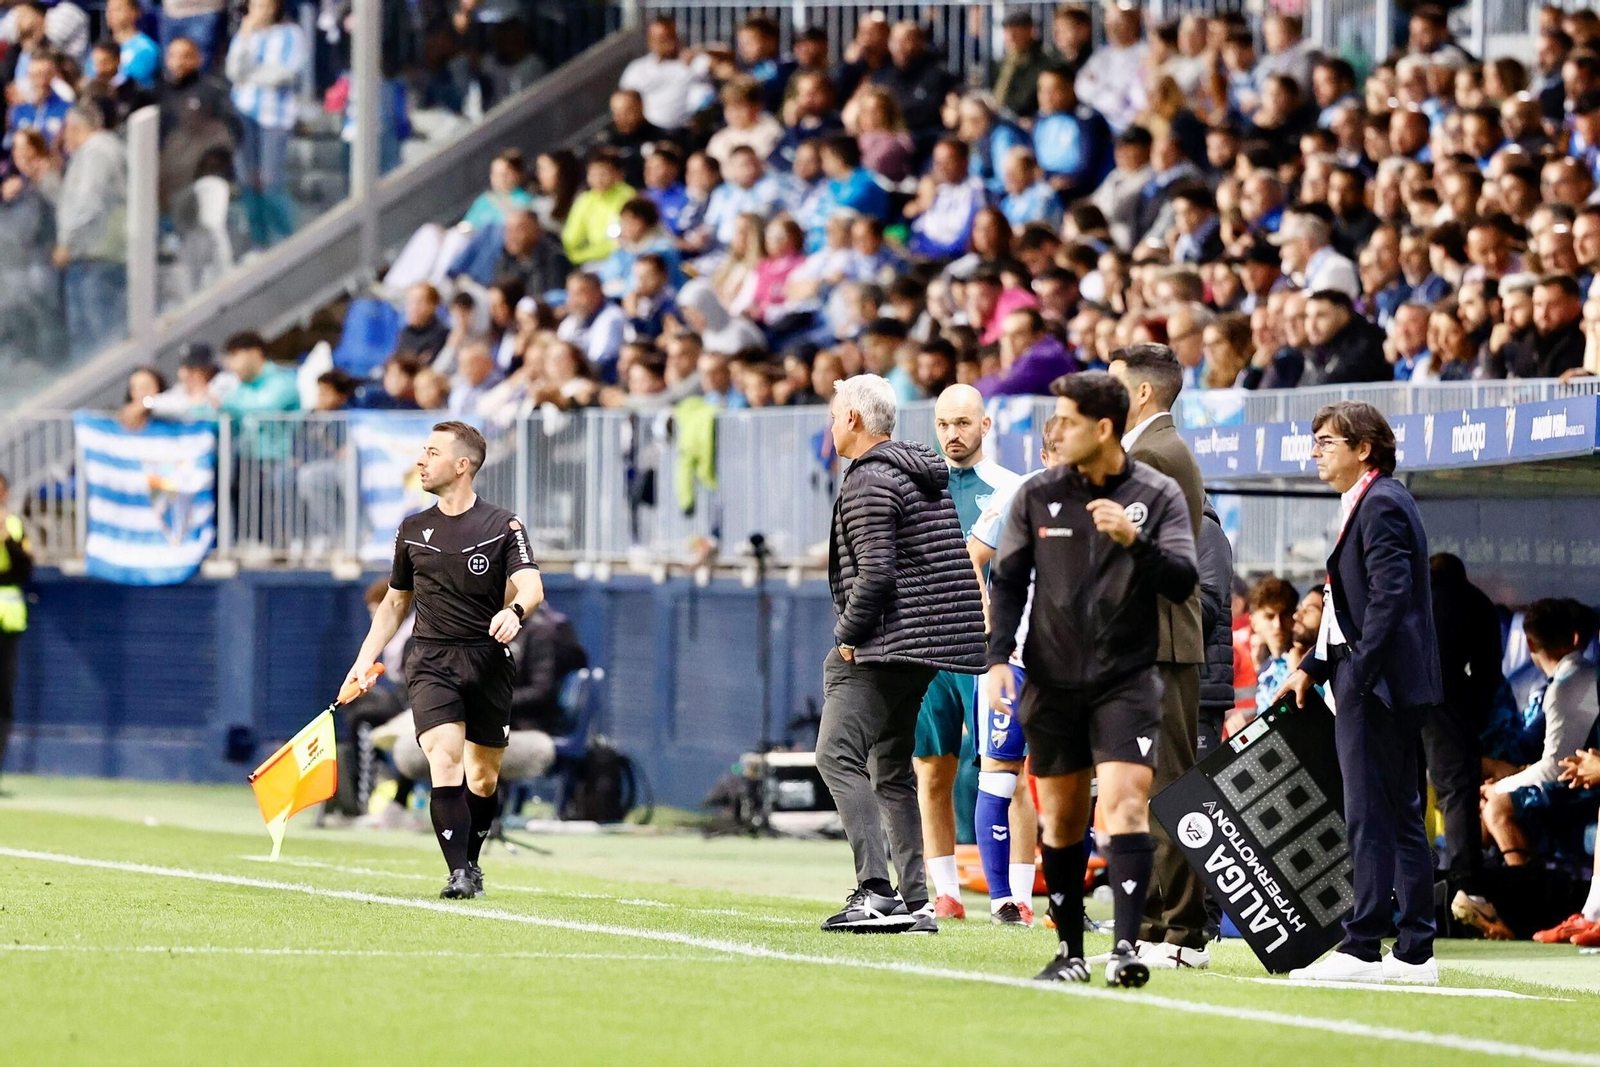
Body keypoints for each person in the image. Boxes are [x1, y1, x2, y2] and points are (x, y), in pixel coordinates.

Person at [986, 370, 1198, 987]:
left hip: (1125, 681)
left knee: (1127, 806)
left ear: (1102, 428)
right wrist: (999, 657)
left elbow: (1184, 580)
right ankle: (1071, 952)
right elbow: (1010, 579)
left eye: (1069, 421)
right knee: (1061, 821)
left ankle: (1126, 949)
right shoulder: (1036, 496)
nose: (1057, 430)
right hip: (1050, 683)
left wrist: (1135, 541)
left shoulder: (1156, 493)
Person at [344, 422, 544, 899]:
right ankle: (457, 873)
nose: (421, 461)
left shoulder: (503, 526)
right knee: (444, 758)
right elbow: (394, 604)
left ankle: (471, 861)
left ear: (461, 465)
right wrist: (363, 661)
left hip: (488, 662)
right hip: (431, 660)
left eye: (431, 453)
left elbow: (532, 586)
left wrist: (514, 611)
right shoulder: (412, 530)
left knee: (482, 775)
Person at [1280, 402, 1442, 985]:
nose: (1316, 451)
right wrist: (1311, 668)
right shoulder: (1372, 501)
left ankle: (1363, 945)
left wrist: (1359, 679)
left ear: (1363, 448)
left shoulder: (1382, 504)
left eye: (1326, 441)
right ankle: (1416, 951)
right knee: (1397, 814)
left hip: (1379, 686)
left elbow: (1388, 601)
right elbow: (1345, 611)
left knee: (1371, 814)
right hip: (1377, 679)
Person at [818, 374, 986, 933]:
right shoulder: (919, 474)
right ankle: (917, 899)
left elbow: (877, 574)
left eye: (836, 412)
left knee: (836, 756)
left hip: (883, 644)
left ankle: (874, 891)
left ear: (855, 420)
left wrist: (847, 635)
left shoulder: (869, 480)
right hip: (922, 647)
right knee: (890, 769)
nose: (832, 422)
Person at [1106, 344, 1208, 969]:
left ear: (1142, 393)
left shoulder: (1154, 453)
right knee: (1141, 788)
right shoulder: (1151, 450)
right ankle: (1150, 921)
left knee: (1168, 786)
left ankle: (1186, 931)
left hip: (1159, 643)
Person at [908, 385, 1023, 922]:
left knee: (1004, 768)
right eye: (944, 424)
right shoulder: (917, 488)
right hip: (928, 650)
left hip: (987, 651)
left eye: (963, 423)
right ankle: (946, 892)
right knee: (932, 769)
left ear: (985, 424)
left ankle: (1018, 894)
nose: (953, 434)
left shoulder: (1010, 489)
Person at [965, 414, 1072, 924]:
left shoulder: (1109, 500)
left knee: (1070, 781)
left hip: (1072, 670)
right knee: (1000, 774)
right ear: (1046, 457)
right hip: (1014, 663)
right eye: (1060, 455)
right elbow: (974, 555)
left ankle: (1056, 900)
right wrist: (991, 628)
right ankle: (1002, 900)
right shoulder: (1020, 496)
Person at [225, 0, 307, 249]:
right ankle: (258, 238)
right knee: (247, 180)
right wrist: (244, 34)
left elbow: (286, 73)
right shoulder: (245, 35)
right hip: (244, 114)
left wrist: (250, 76)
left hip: (275, 116)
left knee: (271, 180)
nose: (262, 9)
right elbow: (233, 72)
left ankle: (286, 238)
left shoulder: (292, 34)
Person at [56, 102, 128, 358]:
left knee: (97, 336)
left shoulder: (95, 151)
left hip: (95, 255)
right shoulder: (104, 149)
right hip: (97, 255)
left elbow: (89, 201)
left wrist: (67, 241)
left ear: (74, 128)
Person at [0, 473, 30, 794]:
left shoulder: (14, 526)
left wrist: (7, 540)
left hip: (7, 620)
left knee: (3, 700)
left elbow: (23, 571)